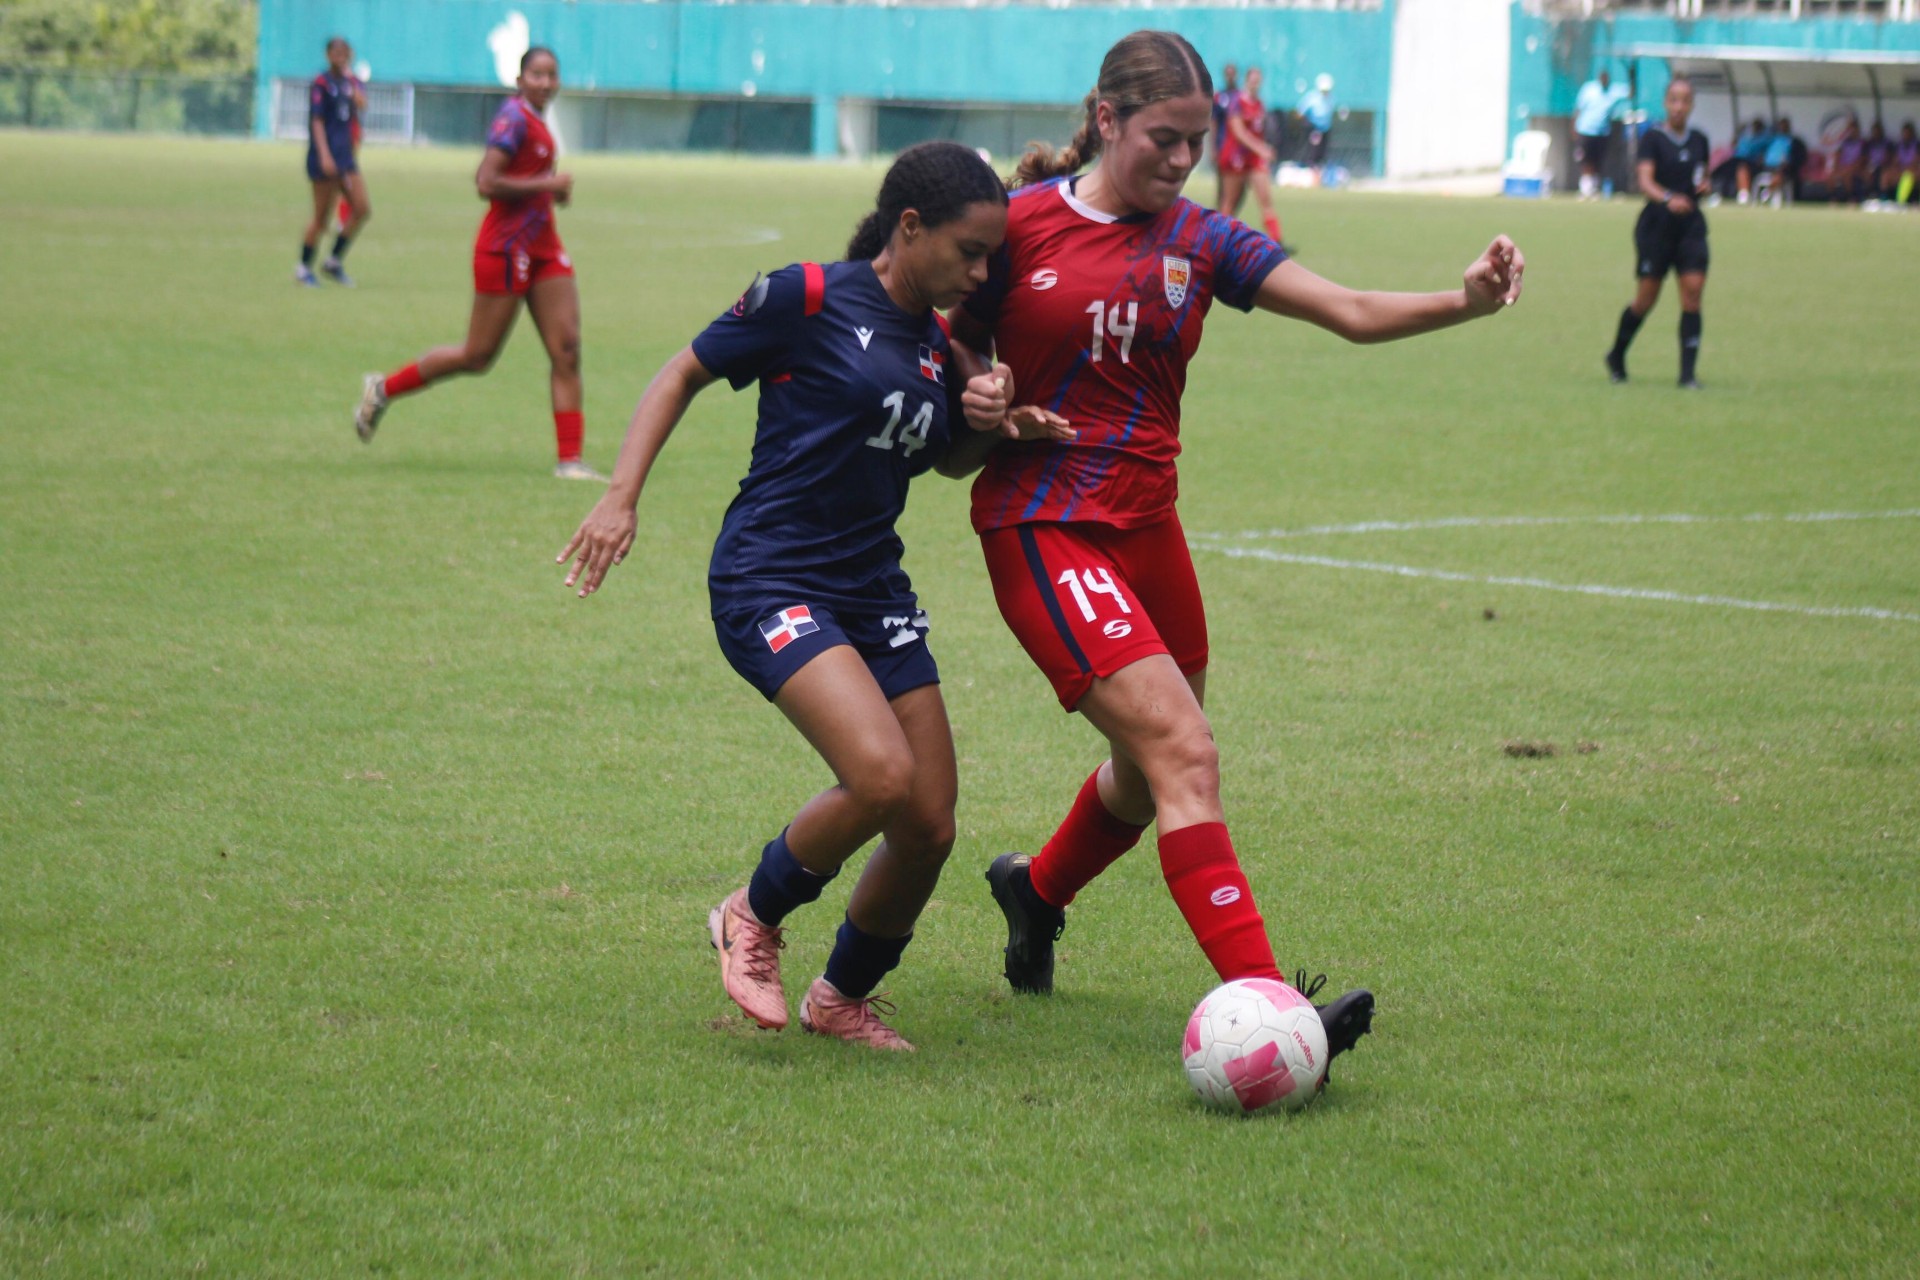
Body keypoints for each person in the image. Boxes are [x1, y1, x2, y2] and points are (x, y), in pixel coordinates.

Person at [944, 29, 1526, 1091]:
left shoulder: (1203, 239)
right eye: (1162, 139)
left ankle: (1036, 889)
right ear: (1107, 119)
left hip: (1149, 528)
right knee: (1186, 754)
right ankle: (1275, 1011)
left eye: (1196, 142)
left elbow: (1349, 310)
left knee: (1146, 771)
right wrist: (976, 387)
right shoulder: (1018, 224)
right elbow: (937, 327)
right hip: (1043, 522)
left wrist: (1467, 302)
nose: (1183, 160)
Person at [557, 142, 1063, 1051]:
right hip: (772, 578)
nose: (981, 276)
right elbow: (681, 372)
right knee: (879, 776)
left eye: (992, 258)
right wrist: (620, 496)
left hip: (873, 592)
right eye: (969, 253)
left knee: (928, 824)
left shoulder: (939, 349)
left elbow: (944, 460)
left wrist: (995, 426)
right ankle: (749, 915)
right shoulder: (807, 296)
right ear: (910, 227)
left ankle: (840, 1000)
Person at [353, 48, 602, 480]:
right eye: (537, 74)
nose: (545, 82)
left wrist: (551, 192)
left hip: (544, 248)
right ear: (520, 80)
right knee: (477, 355)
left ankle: (570, 462)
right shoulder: (513, 119)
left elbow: (527, 181)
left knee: (567, 349)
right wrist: (548, 183)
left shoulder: (536, 120)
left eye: (552, 75)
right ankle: (383, 388)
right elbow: (486, 181)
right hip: (505, 248)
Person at [1605, 77, 1710, 390]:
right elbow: (1645, 182)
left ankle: (1687, 375)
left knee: (1693, 293)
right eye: (1674, 100)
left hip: (1690, 227)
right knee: (1646, 299)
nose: (1679, 106)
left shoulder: (1699, 140)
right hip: (1657, 227)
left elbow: (1701, 177)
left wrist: (1705, 186)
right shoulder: (1653, 138)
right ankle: (1616, 354)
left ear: (1691, 105)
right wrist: (1668, 198)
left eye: (1685, 100)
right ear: (1666, 103)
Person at [297, 37, 371, 287]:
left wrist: (353, 84)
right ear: (328, 55)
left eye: (344, 53)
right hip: (325, 158)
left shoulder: (351, 82)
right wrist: (324, 155)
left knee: (361, 208)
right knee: (321, 218)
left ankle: (333, 261)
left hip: (346, 158)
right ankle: (303, 268)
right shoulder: (321, 83)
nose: (340, 57)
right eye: (336, 52)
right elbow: (317, 121)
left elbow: (362, 104)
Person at [1217, 66, 1285, 246]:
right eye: (1253, 80)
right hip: (1236, 156)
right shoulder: (1237, 102)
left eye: (1258, 81)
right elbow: (1238, 132)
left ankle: (1277, 242)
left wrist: (1264, 148)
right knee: (1230, 202)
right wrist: (1260, 148)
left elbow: (1258, 132)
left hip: (1254, 159)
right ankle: (1218, 241)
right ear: (1247, 81)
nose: (1255, 84)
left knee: (1266, 199)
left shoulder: (1259, 104)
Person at [1572, 69, 1631, 200]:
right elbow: (1578, 109)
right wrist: (1574, 128)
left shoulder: (1614, 90)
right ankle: (1585, 188)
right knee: (1586, 160)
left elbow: (1630, 93)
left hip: (1602, 132)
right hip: (1585, 130)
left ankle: (1594, 188)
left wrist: (1632, 75)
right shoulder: (1589, 89)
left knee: (1598, 161)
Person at [1296, 72, 1336, 186]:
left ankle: (1320, 178)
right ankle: (1313, 178)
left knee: (1322, 154)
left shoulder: (1331, 98)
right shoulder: (1312, 97)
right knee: (1313, 154)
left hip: (1326, 130)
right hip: (1314, 129)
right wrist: (1308, 124)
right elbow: (1300, 111)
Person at [1760, 116, 1807, 205]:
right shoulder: (1772, 140)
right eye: (1781, 126)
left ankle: (1768, 191)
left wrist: (1789, 163)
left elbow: (1799, 158)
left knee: (1780, 173)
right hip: (1768, 167)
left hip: (1786, 168)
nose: (1782, 128)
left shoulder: (1794, 141)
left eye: (1785, 126)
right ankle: (1770, 191)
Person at [1210, 63, 1238, 211]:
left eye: (1232, 74)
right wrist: (1213, 147)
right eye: (1228, 74)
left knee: (1239, 190)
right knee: (1223, 188)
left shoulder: (1241, 97)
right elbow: (1214, 122)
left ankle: (1226, 214)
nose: (1230, 77)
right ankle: (1221, 216)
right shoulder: (1219, 97)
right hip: (1223, 146)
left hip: (1240, 150)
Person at [1730, 117, 1772, 204]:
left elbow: (1764, 154)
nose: (1755, 128)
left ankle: (1743, 194)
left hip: (1753, 163)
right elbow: (1734, 145)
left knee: (1742, 168)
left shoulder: (1764, 139)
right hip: (1737, 160)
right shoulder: (1747, 138)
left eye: (1757, 126)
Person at [1828, 117, 1865, 205]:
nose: (1851, 131)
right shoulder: (1845, 142)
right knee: (1831, 175)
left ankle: (1851, 197)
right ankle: (1833, 198)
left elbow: (1863, 159)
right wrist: (1836, 166)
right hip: (1844, 167)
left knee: (1847, 174)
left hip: (1856, 168)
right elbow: (1838, 155)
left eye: (1853, 128)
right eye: (1849, 129)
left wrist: (1851, 167)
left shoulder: (1862, 142)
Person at [1889, 121, 1919, 205]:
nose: (1906, 135)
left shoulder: (1917, 145)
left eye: (1908, 133)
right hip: (1902, 169)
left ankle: (1902, 201)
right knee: (1887, 175)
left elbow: (1916, 161)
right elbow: (1895, 161)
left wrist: (1908, 168)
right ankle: (1886, 198)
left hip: (1913, 169)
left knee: (1908, 176)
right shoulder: (1899, 145)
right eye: (1905, 133)